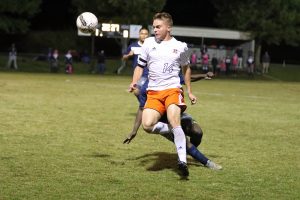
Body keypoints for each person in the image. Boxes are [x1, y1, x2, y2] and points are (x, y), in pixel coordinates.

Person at [129, 12, 197, 177]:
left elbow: (187, 69)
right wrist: (134, 81)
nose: (155, 30)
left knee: (175, 120)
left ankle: (182, 161)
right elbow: (140, 66)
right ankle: (175, 131)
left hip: (173, 90)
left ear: (169, 27)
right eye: (154, 27)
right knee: (147, 125)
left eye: (158, 27)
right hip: (154, 93)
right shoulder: (148, 43)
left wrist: (189, 91)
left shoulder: (182, 46)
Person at [124, 72, 221, 171]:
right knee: (185, 142)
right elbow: (141, 109)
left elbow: (188, 77)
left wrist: (204, 75)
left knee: (198, 132)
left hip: (177, 114)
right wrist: (134, 131)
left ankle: (184, 152)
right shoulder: (146, 89)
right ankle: (207, 162)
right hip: (164, 121)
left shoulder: (169, 77)